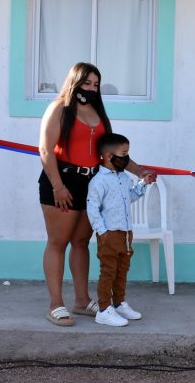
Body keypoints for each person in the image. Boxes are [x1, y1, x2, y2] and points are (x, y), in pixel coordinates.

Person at [38, 62, 154, 327]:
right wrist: (58, 186)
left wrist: (140, 171)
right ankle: (56, 304)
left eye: (95, 84)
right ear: (74, 82)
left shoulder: (97, 111)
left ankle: (81, 301)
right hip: (62, 181)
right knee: (58, 242)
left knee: (81, 242)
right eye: (86, 83)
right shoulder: (58, 108)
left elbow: (111, 152)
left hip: (91, 183)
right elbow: (45, 150)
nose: (91, 88)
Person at [86, 133, 153, 327]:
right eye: (124, 154)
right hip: (110, 234)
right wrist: (102, 232)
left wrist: (142, 185)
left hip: (125, 232)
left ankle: (118, 303)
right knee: (108, 271)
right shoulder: (99, 181)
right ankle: (104, 309)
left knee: (122, 269)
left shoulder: (123, 177)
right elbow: (92, 207)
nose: (126, 158)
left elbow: (128, 198)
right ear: (108, 156)